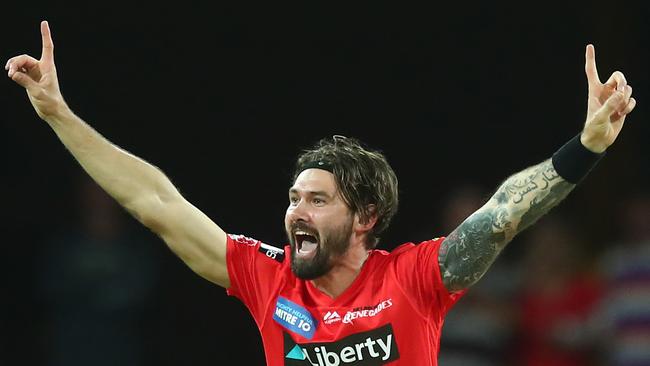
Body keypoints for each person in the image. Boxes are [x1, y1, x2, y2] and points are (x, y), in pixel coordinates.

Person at [6, 20, 637, 366]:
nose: (294, 213)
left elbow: (500, 217)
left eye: (316, 200)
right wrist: (58, 113)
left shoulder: (415, 278)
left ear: (365, 216)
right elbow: (156, 203)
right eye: (293, 198)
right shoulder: (267, 280)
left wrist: (584, 147)